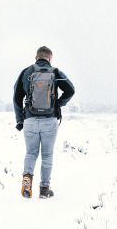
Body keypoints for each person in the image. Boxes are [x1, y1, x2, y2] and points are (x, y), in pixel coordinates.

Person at [13, 46, 75, 198]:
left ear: (36, 57)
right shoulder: (55, 72)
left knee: (31, 153)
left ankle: (27, 179)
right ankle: (44, 189)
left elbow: (16, 97)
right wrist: (58, 104)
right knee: (47, 155)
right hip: (49, 120)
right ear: (50, 58)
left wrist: (20, 120)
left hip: (30, 119)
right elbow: (71, 90)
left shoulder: (26, 72)